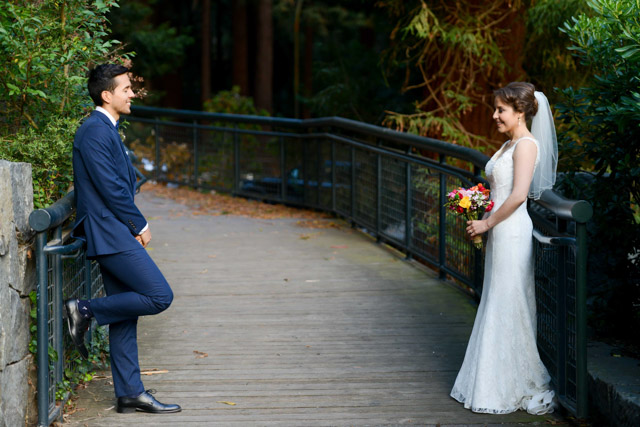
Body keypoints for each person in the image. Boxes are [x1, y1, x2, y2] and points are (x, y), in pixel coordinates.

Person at [65, 64, 180, 414]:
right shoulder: (95, 131)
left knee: (126, 314)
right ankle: (83, 309)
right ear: (106, 95)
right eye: (126, 89)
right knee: (159, 295)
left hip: (112, 230)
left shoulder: (106, 128)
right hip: (109, 231)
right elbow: (112, 188)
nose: (132, 94)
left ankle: (130, 392)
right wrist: (138, 224)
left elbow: (121, 181)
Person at [450, 82, 557, 415]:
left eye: (501, 110)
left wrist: (486, 223)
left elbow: (519, 195)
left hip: (510, 232)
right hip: (500, 229)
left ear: (520, 112)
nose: (494, 115)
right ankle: (490, 379)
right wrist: (477, 205)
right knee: (496, 298)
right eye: (496, 109)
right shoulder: (510, 143)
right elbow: (500, 188)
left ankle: (512, 382)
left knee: (508, 300)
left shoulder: (526, 145)